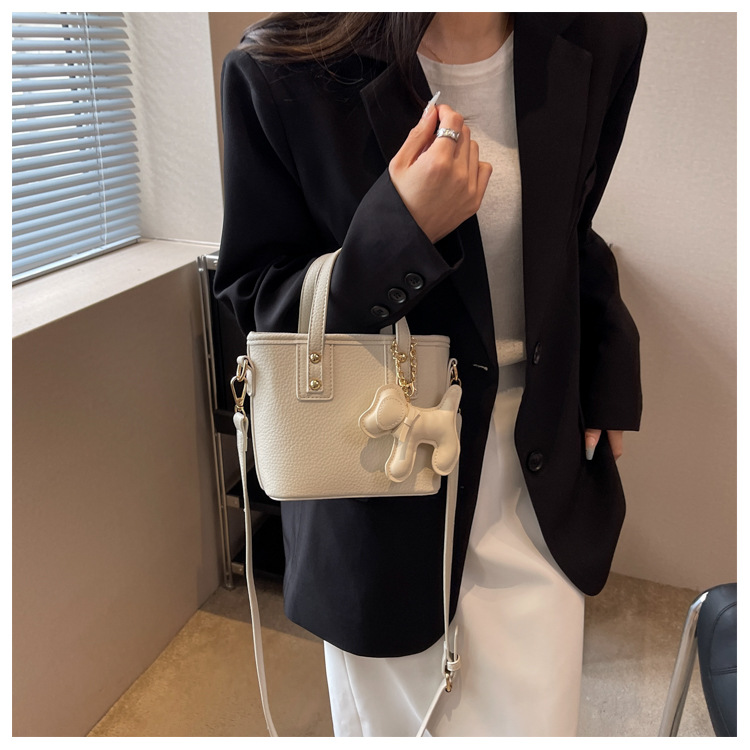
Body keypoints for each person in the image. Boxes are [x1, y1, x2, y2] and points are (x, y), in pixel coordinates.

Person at [214, 11, 645, 737]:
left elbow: (573, 225)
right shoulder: (282, 68)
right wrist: (395, 235)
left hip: (538, 476)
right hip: (374, 479)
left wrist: (610, 361)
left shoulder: (600, 36)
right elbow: (256, 303)